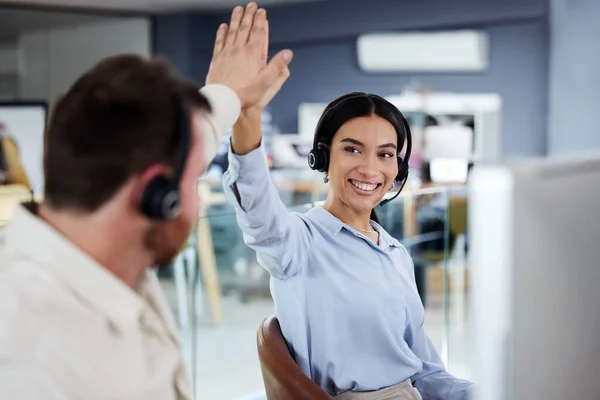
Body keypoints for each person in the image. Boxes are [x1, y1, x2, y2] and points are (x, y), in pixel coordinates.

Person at [0, 3, 292, 399]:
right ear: (158, 195)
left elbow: (196, 138)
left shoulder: (96, 242)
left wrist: (227, 96)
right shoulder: (39, 362)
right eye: (192, 182)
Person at [223, 90, 474, 398]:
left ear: (399, 168)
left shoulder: (396, 253)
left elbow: (426, 372)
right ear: (323, 156)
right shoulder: (299, 242)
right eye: (353, 150)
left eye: (384, 154)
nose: (370, 169)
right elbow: (258, 213)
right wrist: (246, 121)